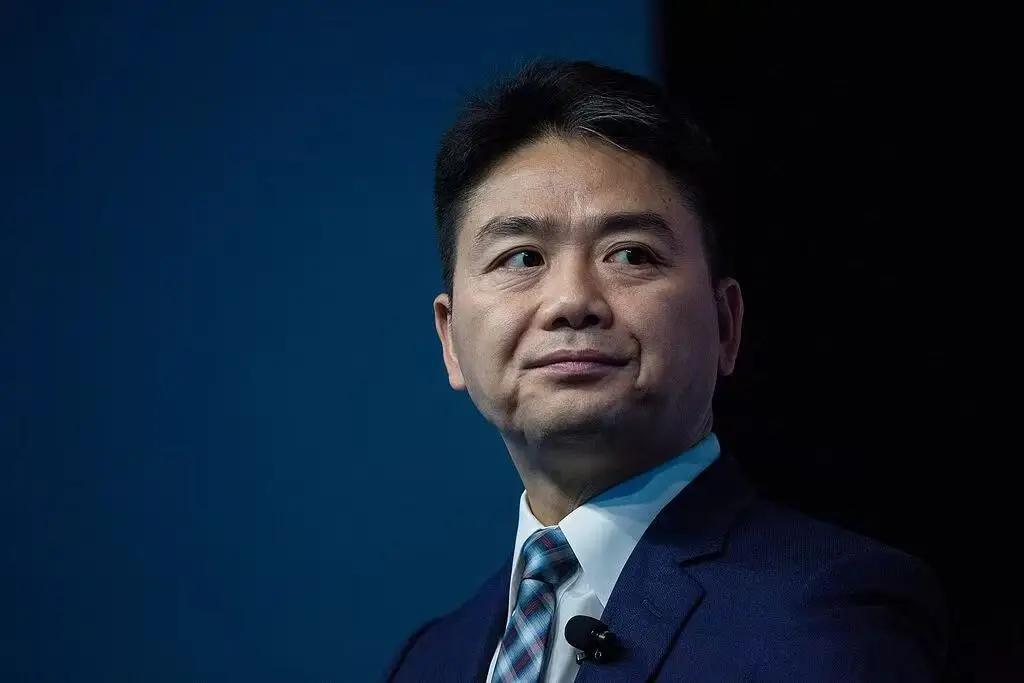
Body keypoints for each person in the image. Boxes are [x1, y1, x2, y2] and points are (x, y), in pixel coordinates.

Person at [383, 59, 948, 682]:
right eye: (522, 258)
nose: (571, 300)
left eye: (631, 254)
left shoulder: (831, 616)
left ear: (725, 325)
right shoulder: (429, 660)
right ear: (450, 338)